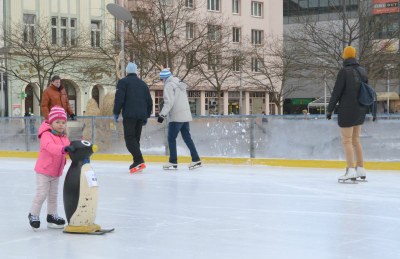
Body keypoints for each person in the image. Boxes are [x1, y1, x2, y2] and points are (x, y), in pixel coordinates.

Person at [327, 46, 376, 183]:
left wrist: (329, 109)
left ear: (345, 55)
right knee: (356, 141)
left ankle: (350, 170)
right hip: (360, 110)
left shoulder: (344, 72)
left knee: (347, 141)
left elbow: (336, 92)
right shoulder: (362, 71)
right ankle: (360, 168)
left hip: (347, 111)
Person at [28, 106, 75, 229]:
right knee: (42, 194)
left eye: (63, 122)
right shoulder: (46, 135)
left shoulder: (64, 137)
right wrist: (63, 149)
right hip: (44, 171)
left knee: (53, 195)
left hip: (56, 172)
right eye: (57, 122)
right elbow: (50, 147)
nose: (61, 125)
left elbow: (69, 148)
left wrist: (77, 149)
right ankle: (33, 214)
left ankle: (52, 215)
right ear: (51, 122)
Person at [157, 68, 201, 170]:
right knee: (187, 138)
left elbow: (169, 102)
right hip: (185, 116)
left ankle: (173, 161)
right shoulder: (179, 82)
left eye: (161, 79)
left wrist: (162, 115)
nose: (162, 81)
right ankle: (196, 159)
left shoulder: (169, 85)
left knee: (171, 139)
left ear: (164, 78)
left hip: (176, 116)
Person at [113, 62, 153, 173]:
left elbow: (119, 99)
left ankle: (139, 160)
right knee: (135, 139)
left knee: (129, 139)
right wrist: (146, 116)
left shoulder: (123, 82)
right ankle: (137, 161)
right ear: (136, 71)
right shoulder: (143, 84)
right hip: (141, 116)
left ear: (126, 71)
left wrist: (116, 112)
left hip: (129, 115)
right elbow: (149, 101)